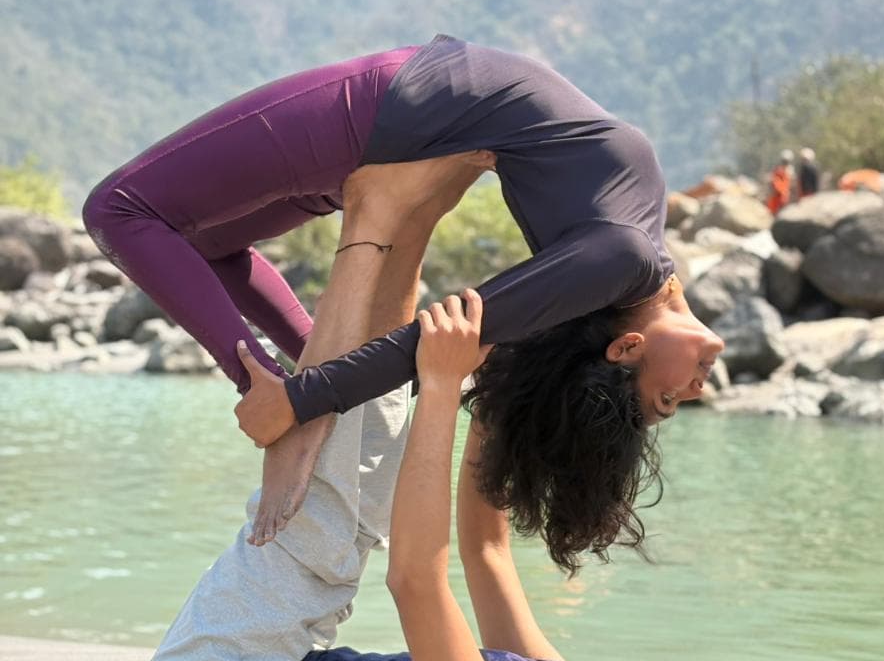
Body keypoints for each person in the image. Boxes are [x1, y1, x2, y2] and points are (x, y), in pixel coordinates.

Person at [124, 287, 778, 661]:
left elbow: (415, 582)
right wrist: (488, 393)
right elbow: (487, 548)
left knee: (321, 518)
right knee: (376, 404)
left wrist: (440, 385)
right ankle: (389, 217)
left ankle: (388, 209)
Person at [83, 35, 722, 564]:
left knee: (118, 208)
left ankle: (268, 386)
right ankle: (296, 366)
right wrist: (312, 383)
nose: (693, 392)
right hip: (401, 126)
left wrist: (297, 399)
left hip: (377, 114)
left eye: (666, 398)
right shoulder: (636, 248)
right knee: (207, 246)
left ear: (627, 348)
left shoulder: (624, 259)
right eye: (674, 400)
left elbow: (448, 333)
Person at [765, 150, 796, 214]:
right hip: (778, 196)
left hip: (784, 196)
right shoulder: (779, 170)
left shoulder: (790, 170)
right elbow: (774, 183)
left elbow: (791, 184)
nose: (785, 162)